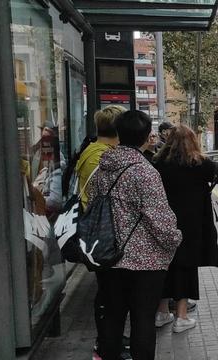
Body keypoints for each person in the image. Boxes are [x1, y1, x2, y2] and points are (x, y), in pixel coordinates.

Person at [87, 110, 182, 360]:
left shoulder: (102, 168)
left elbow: (93, 207)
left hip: (107, 256)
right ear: (144, 137)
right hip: (144, 264)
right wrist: (175, 240)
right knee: (142, 321)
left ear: (118, 134)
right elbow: (160, 220)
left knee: (113, 318)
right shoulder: (145, 172)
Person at [153, 125, 218, 333]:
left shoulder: (158, 163)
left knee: (164, 265)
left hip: (164, 222)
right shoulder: (200, 163)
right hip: (192, 225)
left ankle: (162, 313)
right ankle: (181, 317)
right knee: (186, 266)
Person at [73, 105, 125, 360]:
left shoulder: (95, 150)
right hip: (101, 233)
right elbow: (102, 197)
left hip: (100, 230)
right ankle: (104, 346)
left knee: (110, 290)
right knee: (109, 292)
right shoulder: (100, 156)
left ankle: (108, 341)